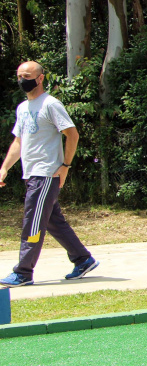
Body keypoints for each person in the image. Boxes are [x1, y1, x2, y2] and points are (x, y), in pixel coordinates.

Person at [0, 61, 99, 287]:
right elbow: (18, 141)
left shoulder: (51, 104)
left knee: (32, 222)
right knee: (53, 222)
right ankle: (83, 259)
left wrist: (65, 165)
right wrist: (4, 167)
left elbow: (72, 134)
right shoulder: (23, 108)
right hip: (32, 173)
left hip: (45, 174)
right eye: (19, 76)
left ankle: (23, 272)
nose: (22, 80)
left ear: (40, 77)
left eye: (27, 75)